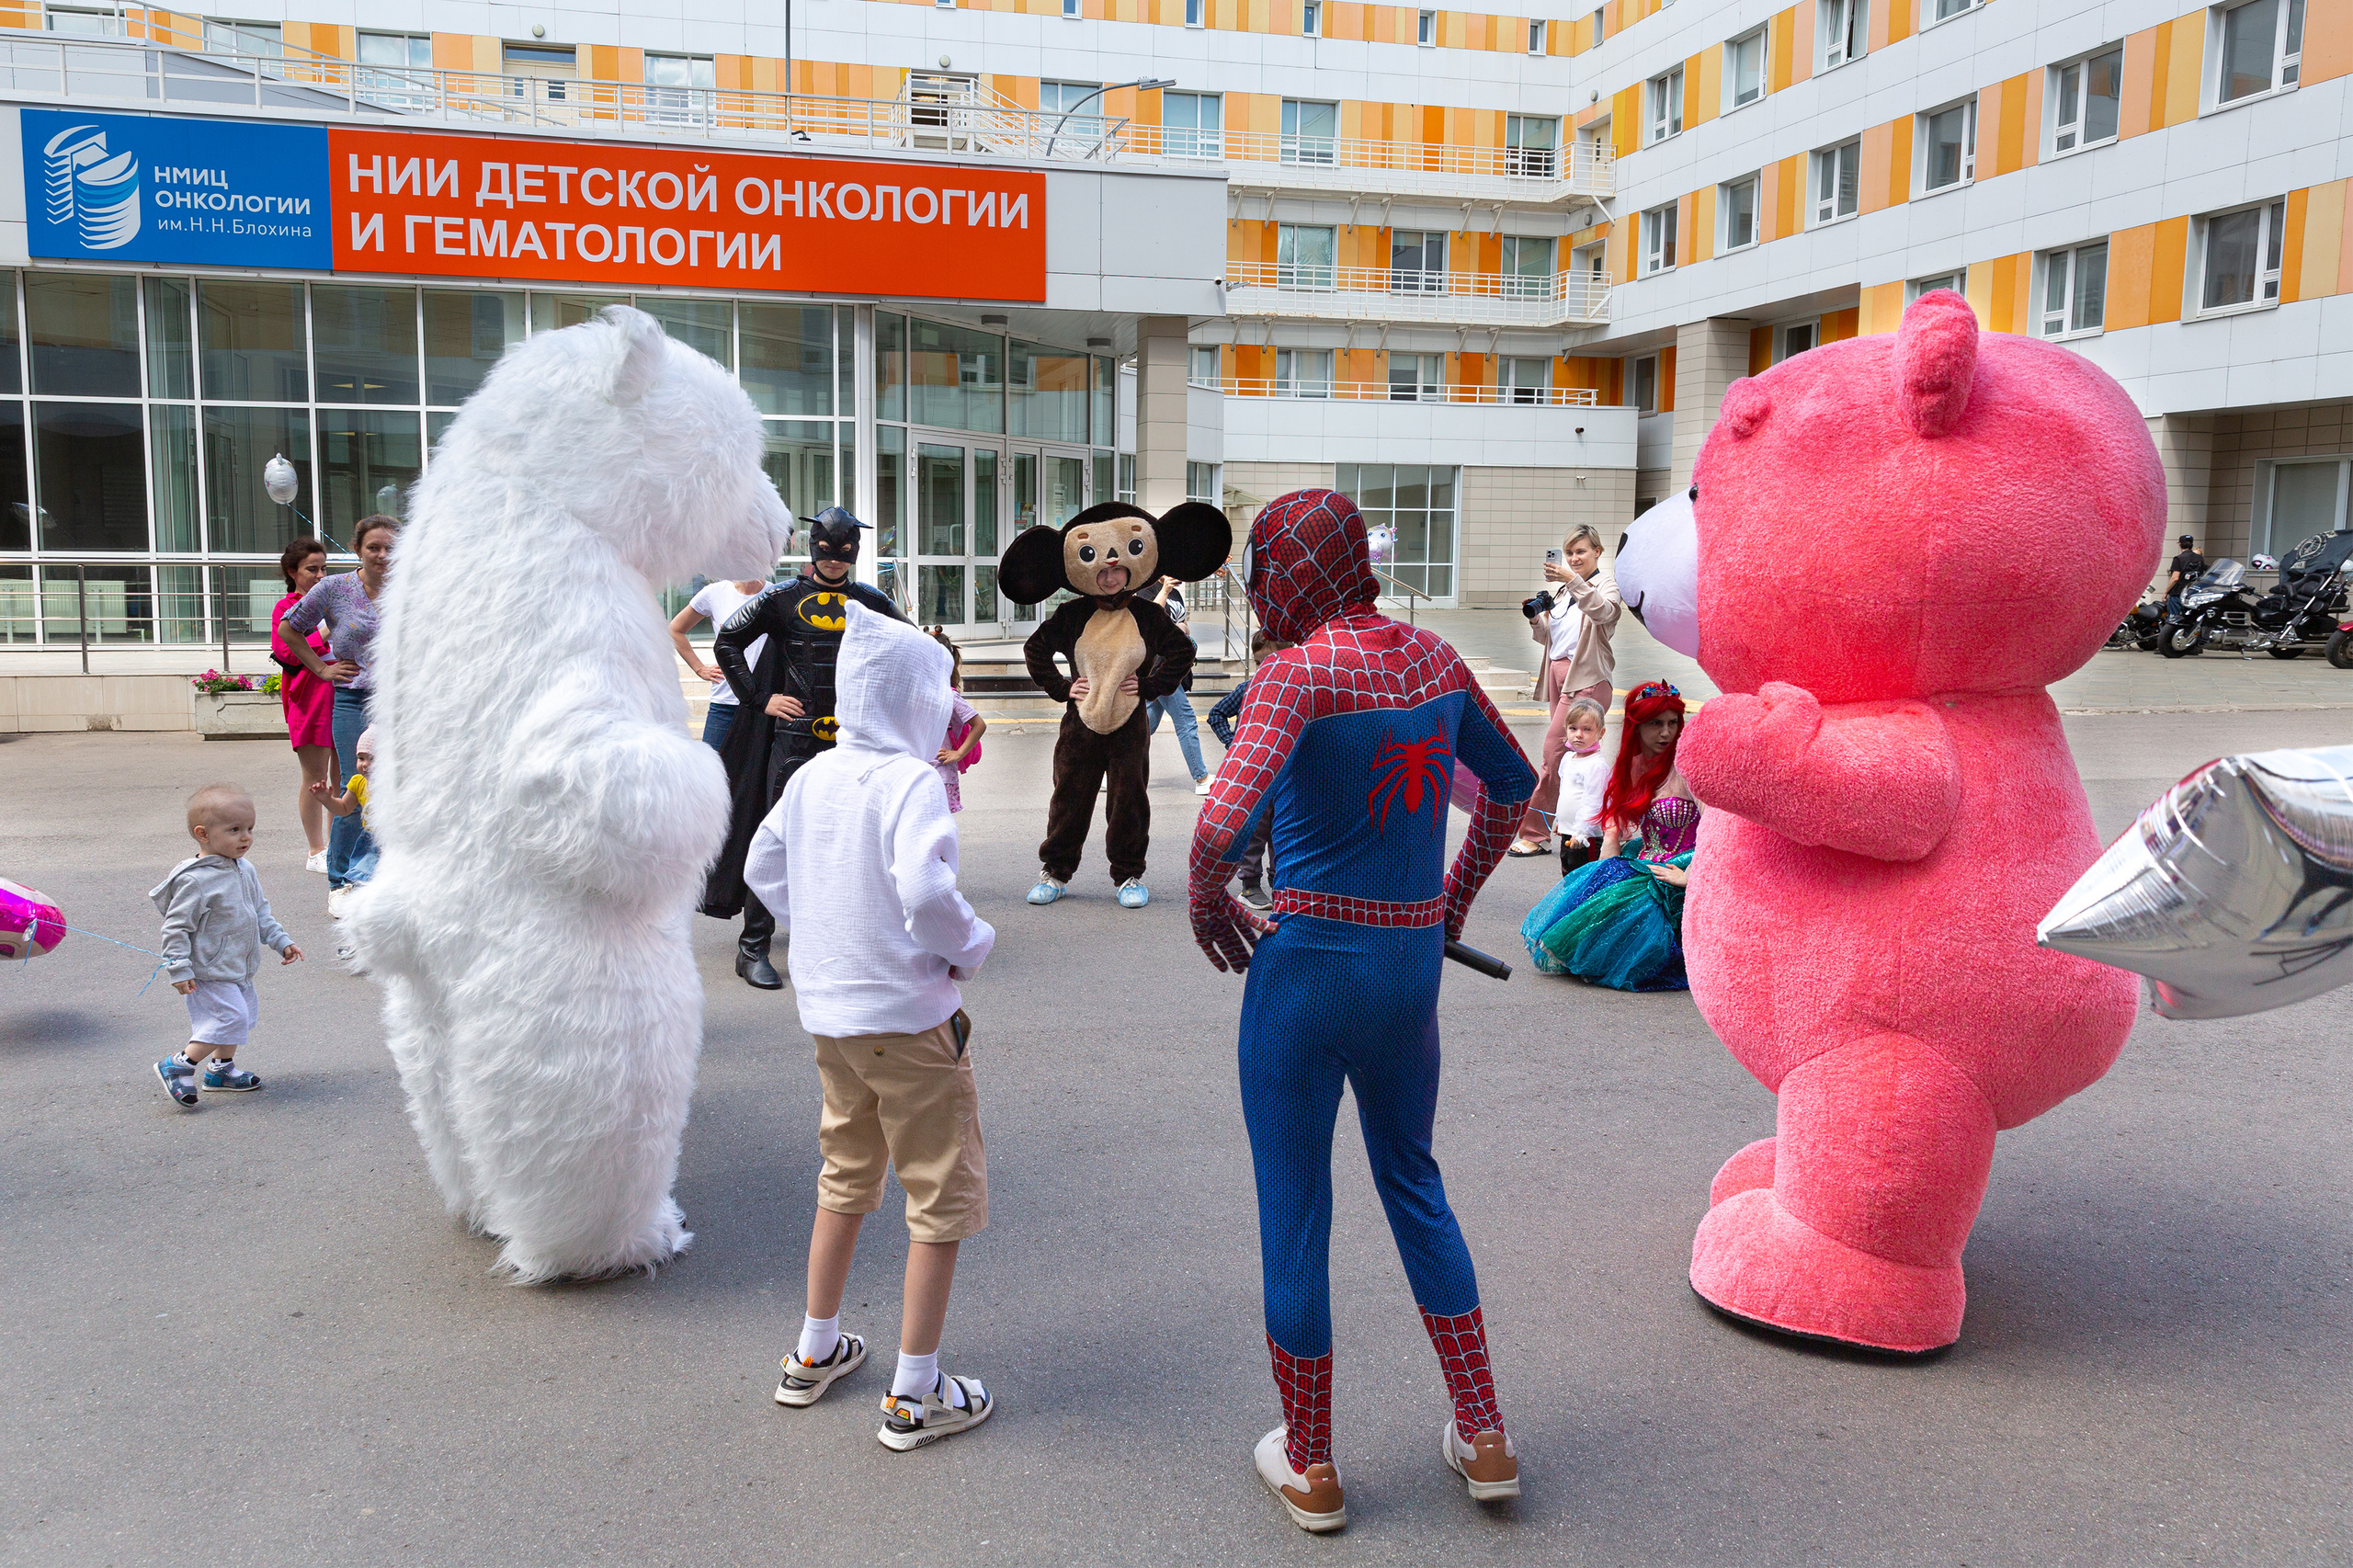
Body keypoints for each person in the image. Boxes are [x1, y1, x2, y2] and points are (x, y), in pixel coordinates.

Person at [1188, 489, 1537, 1532]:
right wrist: (1449, 903)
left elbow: (1216, 828)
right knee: (1415, 1183)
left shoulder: (1295, 675)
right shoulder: (1435, 660)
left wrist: (1209, 904)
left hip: (1305, 972)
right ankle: (1484, 1433)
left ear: (1285, 572)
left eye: (1264, 566)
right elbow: (1512, 784)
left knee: (1296, 1211)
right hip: (1406, 971)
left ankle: (1311, 1463)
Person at [745, 603, 996, 1451]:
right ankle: (915, 1393)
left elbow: (764, 865)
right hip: (912, 1021)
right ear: (916, 701)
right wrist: (971, 945)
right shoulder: (911, 780)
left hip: (833, 1019)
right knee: (939, 1196)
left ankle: (813, 1350)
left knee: (845, 1174)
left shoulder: (814, 776)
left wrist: (824, 932)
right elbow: (925, 893)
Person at [705, 508, 904, 990]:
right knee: (776, 836)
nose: (834, 560)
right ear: (813, 548)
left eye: (844, 552)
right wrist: (760, 698)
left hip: (851, 743)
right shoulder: (780, 599)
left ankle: (842, 940)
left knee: (850, 840)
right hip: (794, 738)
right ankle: (753, 946)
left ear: (856, 552)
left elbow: (910, 648)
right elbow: (728, 642)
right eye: (826, 551)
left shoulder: (870, 600)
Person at [1521, 680, 1699, 991]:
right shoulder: (1632, 766)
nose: (1666, 733)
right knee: (1600, 898)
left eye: (1673, 723)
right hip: (1644, 860)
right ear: (1636, 726)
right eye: (1656, 723)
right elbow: (1614, 818)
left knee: (1638, 918)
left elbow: (1717, 829)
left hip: (1685, 864)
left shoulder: (1689, 769)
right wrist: (1607, 860)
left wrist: (1692, 876)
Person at [151, 783, 303, 1108]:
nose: (246, 837)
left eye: (250, 828)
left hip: (238, 964)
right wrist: (178, 968)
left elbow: (260, 911)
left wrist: (281, 941)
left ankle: (220, 1070)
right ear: (203, 834)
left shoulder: (245, 869)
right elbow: (176, 928)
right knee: (229, 1018)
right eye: (235, 830)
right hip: (208, 969)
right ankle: (179, 1065)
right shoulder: (195, 880)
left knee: (242, 1017)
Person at [279, 515, 399, 916]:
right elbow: (289, 629)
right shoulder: (335, 587)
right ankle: (342, 880)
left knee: (401, 786)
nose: (383, 555)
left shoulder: (414, 587)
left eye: (390, 548)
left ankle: (388, 874)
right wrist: (321, 667)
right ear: (357, 550)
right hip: (353, 698)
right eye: (373, 547)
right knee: (355, 784)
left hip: (402, 703)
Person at [1512, 525, 1621, 857]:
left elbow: (1604, 613)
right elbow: (1550, 638)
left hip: (1586, 680)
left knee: (1552, 754)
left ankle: (1534, 834)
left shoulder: (1605, 585)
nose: (1574, 558)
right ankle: (1587, 824)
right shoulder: (1562, 591)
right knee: (1574, 759)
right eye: (1570, 553)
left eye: (1581, 551)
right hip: (1559, 679)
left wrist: (1572, 581)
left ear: (1597, 552)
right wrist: (1536, 619)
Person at [1207, 630, 1290, 911]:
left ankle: (1281, 884)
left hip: (1284, 776)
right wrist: (1234, 744)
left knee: (1282, 832)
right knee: (1254, 831)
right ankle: (1250, 885)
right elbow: (1216, 714)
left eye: (1272, 661)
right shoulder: (1249, 688)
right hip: (1253, 776)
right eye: (1258, 663)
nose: (1265, 668)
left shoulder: (1294, 691)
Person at [268, 538, 335, 872]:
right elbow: (286, 653)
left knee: (346, 776)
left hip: (344, 695)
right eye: (312, 569)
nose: (320, 575)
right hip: (309, 699)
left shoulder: (336, 601)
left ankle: (338, 846)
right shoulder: (286, 608)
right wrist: (325, 632)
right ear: (292, 572)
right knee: (315, 776)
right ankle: (316, 850)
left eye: (324, 568)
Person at [671, 574, 772, 752]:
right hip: (725, 703)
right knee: (712, 765)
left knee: (762, 768)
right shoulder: (715, 592)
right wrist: (699, 668)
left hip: (766, 702)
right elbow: (675, 630)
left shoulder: (777, 594)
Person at [1142, 574, 1212, 795]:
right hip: (1159, 668)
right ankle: (1201, 778)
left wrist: (1181, 628)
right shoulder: (1145, 591)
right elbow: (1148, 621)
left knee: (1146, 725)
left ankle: (1113, 770)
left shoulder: (1176, 594)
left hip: (1175, 663)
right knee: (1186, 720)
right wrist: (1163, 591)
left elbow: (1185, 627)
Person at [308, 727, 379, 887]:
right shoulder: (358, 783)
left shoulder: (395, 784)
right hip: (369, 842)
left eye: (372, 759)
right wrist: (327, 799)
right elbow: (344, 809)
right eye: (361, 758)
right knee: (364, 881)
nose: (365, 764)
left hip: (392, 841)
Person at [926, 628, 986, 813]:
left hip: (942, 774)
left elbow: (979, 725)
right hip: (922, 771)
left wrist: (958, 754)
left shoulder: (950, 697)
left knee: (938, 822)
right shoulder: (922, 692)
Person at [1551, 696, 1611, 876]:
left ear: (1600, 733)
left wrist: (1582, 831)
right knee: (1568, 875)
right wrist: (1560, 819)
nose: (1578, 734)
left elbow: (1595, 801)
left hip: (1586, 837)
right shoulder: (1568, 758)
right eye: (1573, 728)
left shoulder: (1596, 765)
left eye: (1587, 729)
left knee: (1584, 878)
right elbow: (1565, 791)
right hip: (1569, 832)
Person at [2164, 534, 2206, 614]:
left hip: (2178, 593)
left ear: (2180, 544)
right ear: (2192, 544)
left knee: (2174, 618)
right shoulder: (2200, 558)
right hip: (2193, 594)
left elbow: (2175, 578)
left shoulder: (2178, 558)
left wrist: (2166, 592)